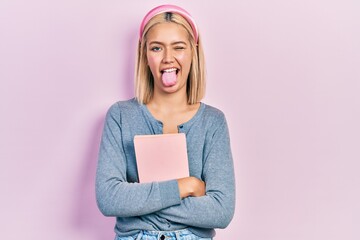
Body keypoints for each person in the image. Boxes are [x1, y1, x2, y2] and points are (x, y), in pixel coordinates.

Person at [96, 4, 235, 240]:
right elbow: (109, 198)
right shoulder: (120, 116)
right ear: (144, 54)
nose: (168, 59)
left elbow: (221, 211)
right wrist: (187, 186)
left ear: (193, 51)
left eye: (178, 47)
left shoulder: (213, 122)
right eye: (157, 48)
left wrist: (140, 203)